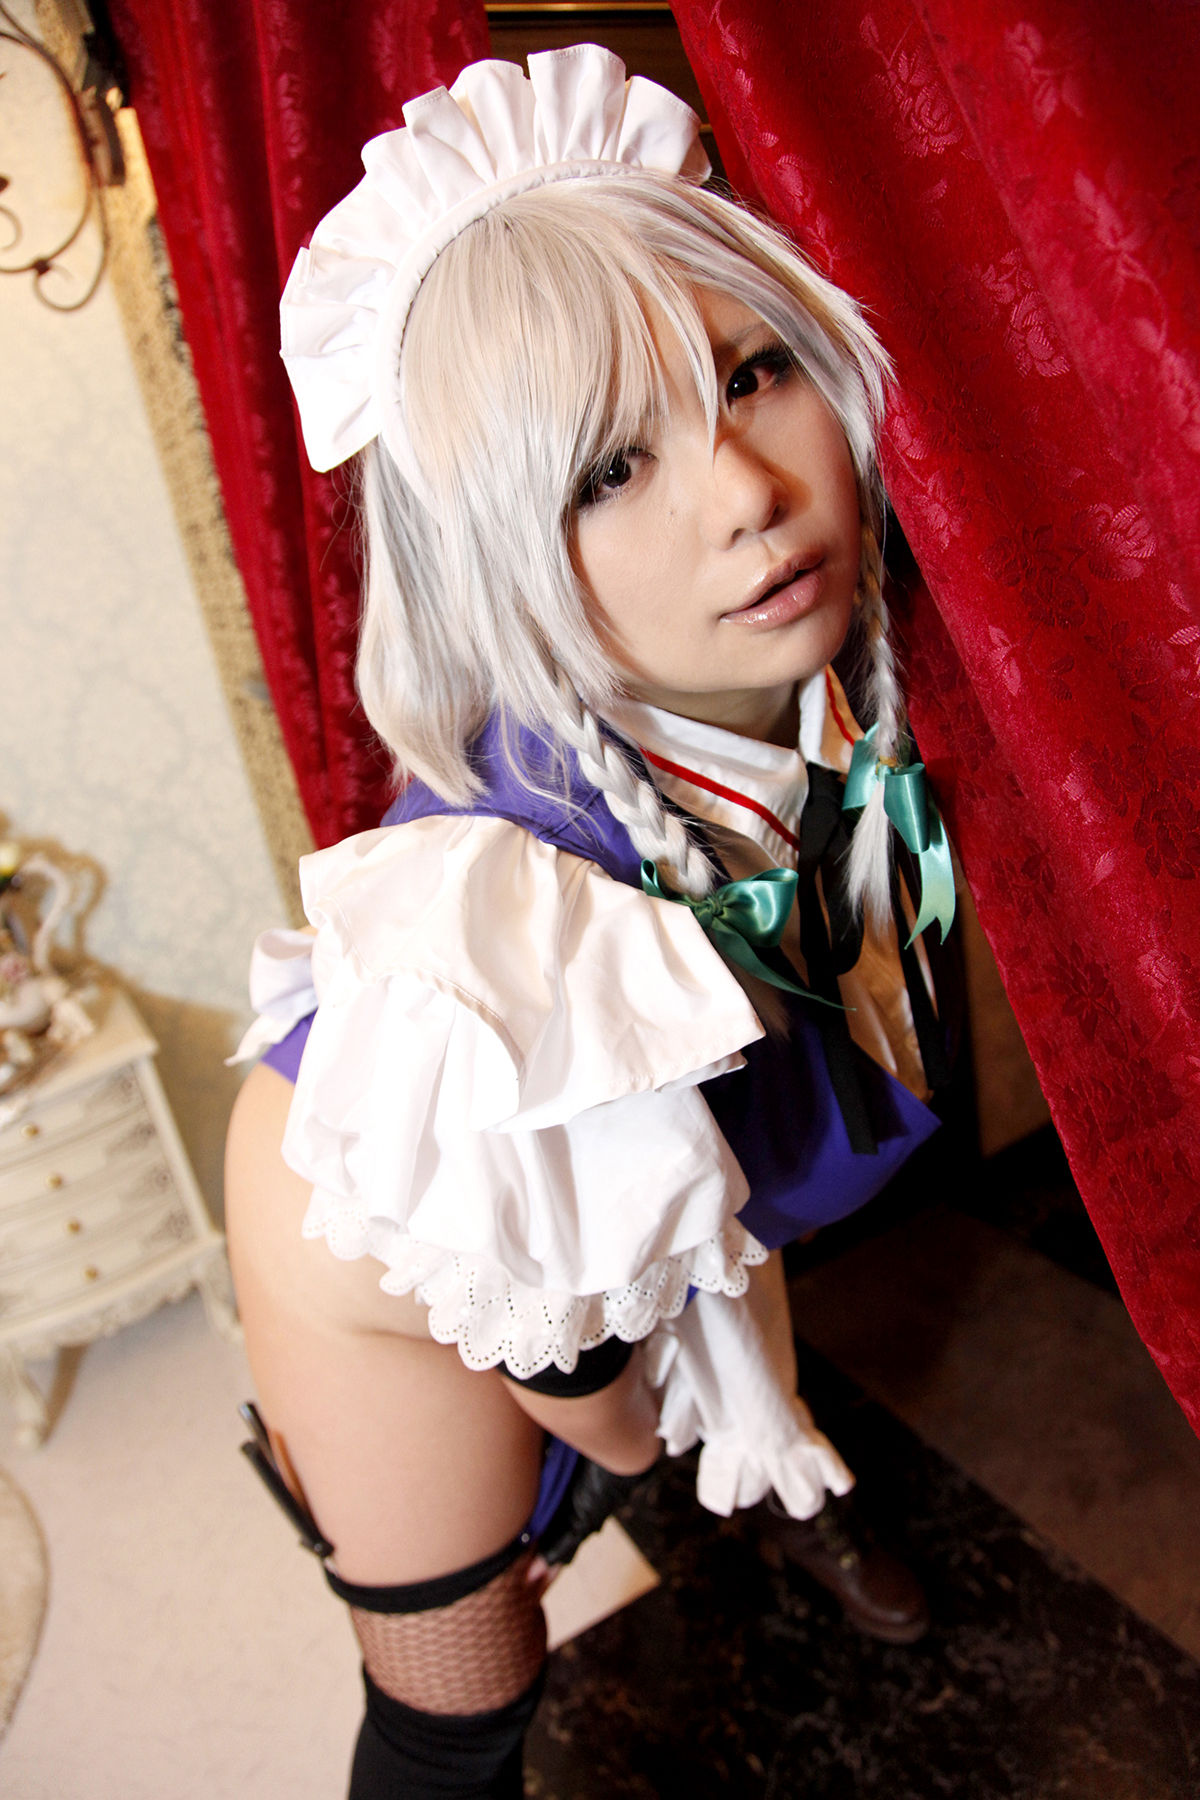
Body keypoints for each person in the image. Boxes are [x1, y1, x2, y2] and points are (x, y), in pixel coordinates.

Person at [225, 44, 955, 1799]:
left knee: (708, 1307)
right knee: (461, 1707)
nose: (745, 493)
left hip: (633, 1215)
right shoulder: (516, 912)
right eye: (608, 468)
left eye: (751, 372)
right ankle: (730, 1474)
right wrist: (646, 1443)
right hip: (395, 1280)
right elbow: (588, 1347)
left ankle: (774, 1477)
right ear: (493, 552)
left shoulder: (830, 660)